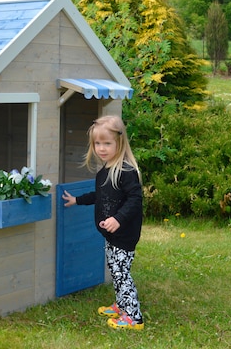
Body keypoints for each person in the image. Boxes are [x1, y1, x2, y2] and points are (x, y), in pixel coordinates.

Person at [62, 115, 144, 330]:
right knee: (114, 268)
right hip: (110, 234)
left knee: (121, 272)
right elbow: (99, 196)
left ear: (120, 142)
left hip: (124, 234)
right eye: (97, 143)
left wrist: (118, 219)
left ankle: (133, 317)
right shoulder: (104, 172)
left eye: (107, 143)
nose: (101, 148)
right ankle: (121, 305)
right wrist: (77, 200)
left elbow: (135, 200)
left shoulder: (126, 172)